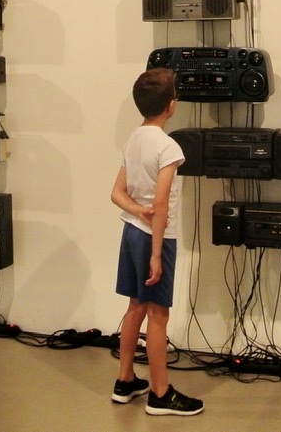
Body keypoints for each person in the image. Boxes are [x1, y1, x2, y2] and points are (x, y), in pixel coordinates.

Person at [109, 67, 204, 416]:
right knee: (158, 314)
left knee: (135, 306)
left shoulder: (134, 139)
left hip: (131, 233)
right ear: (171, 105)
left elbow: (117, 193)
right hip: (156, 240)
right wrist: (156, 254)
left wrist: (138, 211)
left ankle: (125, 381)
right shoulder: (168, 147)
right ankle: (160, 393)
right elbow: (161, 205)